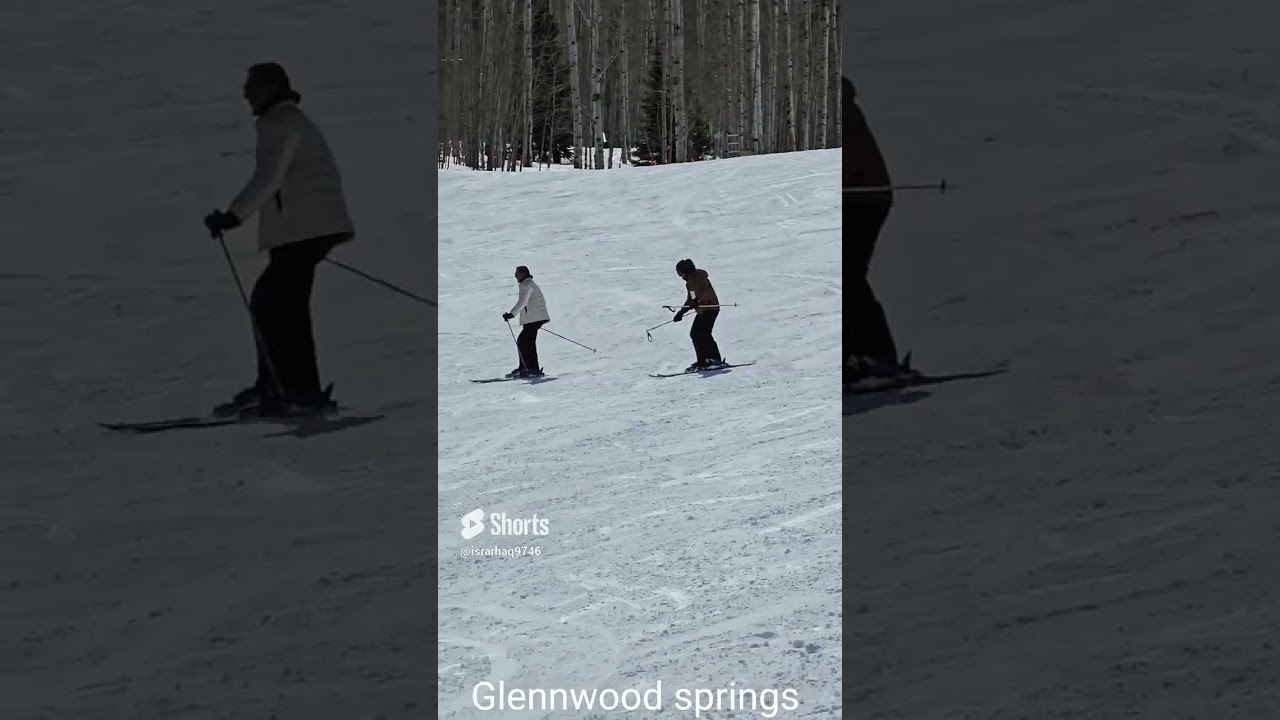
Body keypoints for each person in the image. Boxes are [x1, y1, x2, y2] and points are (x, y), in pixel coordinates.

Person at [203, 62, 355, 415]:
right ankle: (291, 389)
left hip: (305, 230)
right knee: (281, 307)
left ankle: (287, 391)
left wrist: (232, 216)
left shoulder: (281, 123)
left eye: (251, 87)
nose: (245, 94)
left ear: (270, 88)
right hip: (307, 229)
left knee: (272, 305)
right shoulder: (288, 121)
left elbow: (269, 177)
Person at [843, 75, 911, 390]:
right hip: (857, 198)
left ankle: (876, 358)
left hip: (863, 200)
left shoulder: (845, 113)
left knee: (848, 277)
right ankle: (854, 357)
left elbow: (852, 162)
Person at [673, 258, 725, 372]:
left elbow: (693, 299)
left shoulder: (694, 280)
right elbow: (693, 298)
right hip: (706, 309)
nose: (681, 277)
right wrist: (683, 311)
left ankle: (713, 360)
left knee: (701, 334)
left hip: (708, 309)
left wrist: (681, 313)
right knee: (697, 334)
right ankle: (703, 360)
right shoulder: (695, 278)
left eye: (680, 273)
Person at [503, 266, 549, 378]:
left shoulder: (526, 285)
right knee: (525, 342)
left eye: (517, 273)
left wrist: (511, 314)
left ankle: (531, 369)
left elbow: (522, 302)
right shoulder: (529, 284)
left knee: (525, 342)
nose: (515, 275)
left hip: (534, 318)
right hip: (535, 318)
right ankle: (526, 368)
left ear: (523, 273)